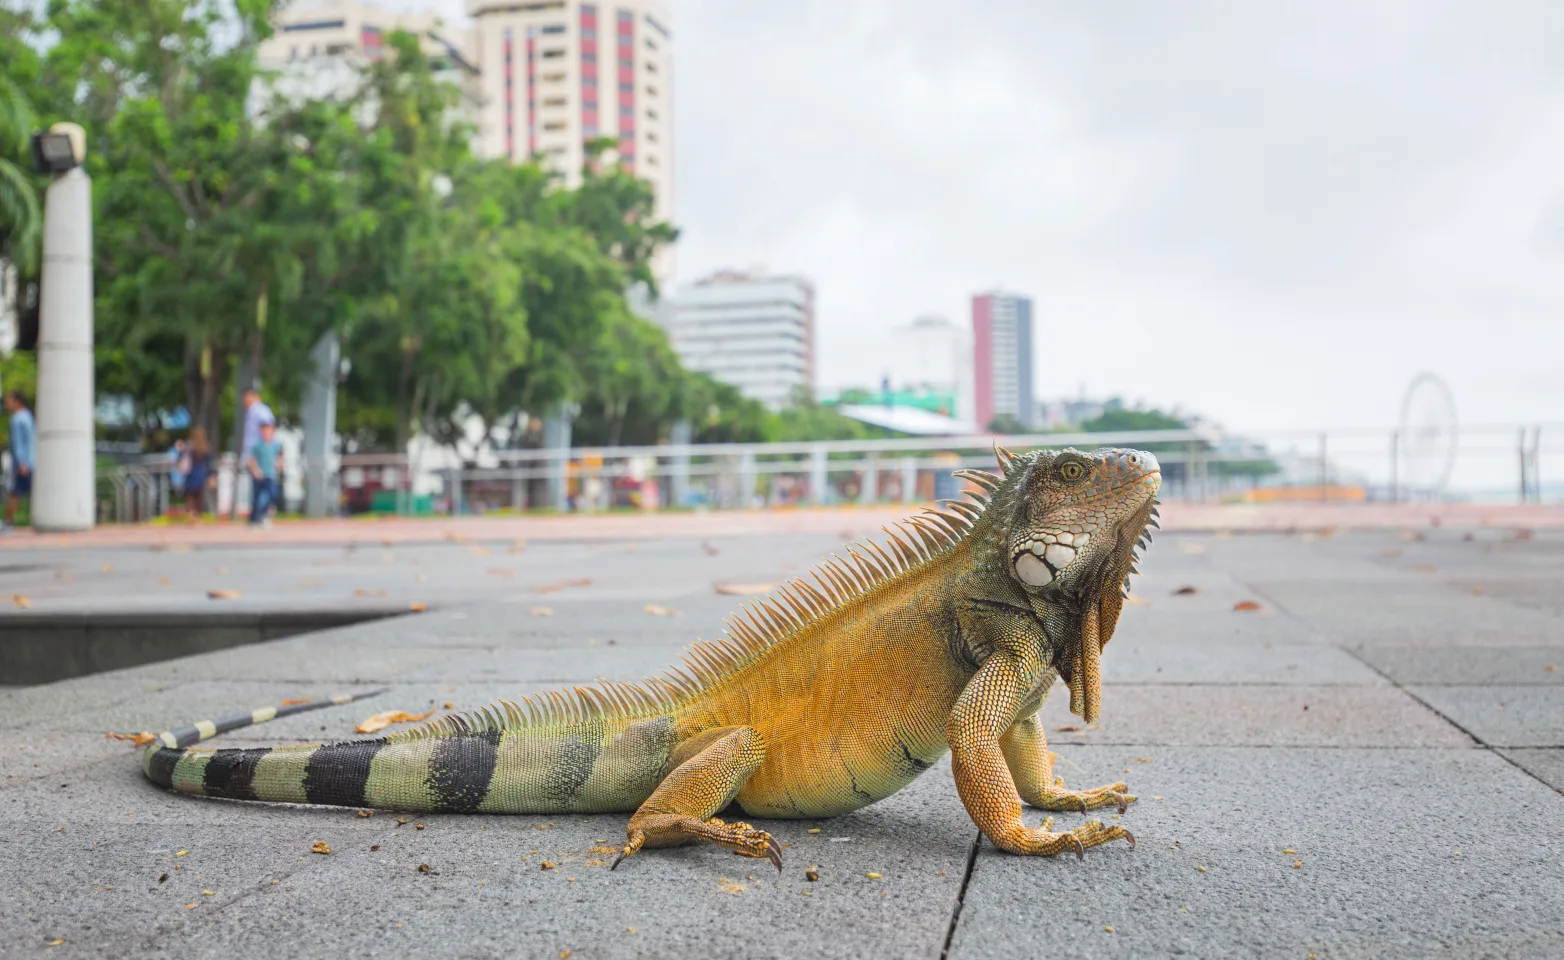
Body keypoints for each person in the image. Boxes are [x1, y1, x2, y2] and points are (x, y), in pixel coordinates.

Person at [3, 391, 34, 529]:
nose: (7, 405)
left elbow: (18, 443)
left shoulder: (17, 419)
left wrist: (21, 461)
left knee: (15, 492)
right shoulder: (28, 416)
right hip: (31, 462)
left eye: (9, 401)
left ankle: (8, 522)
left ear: (18, 402)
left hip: (23, 463)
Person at [247, 419, 282, 527]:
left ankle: (265, 513)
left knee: (272, 493)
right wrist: (255, 470)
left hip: (270, 474)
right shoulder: (257, 445)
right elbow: (251, 460)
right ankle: (254, 520)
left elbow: (280, 455)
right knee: (256, 497)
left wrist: (279, 464)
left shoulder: (275, 444)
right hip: (259, 475)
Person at [183, 426, 215, 520]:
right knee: (199, 496)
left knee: (190, 496)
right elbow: (210, 464)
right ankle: (196, 515)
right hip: (200, 473)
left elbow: (182, 458)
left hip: (190, 474)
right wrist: (211, 476)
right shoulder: (206, 448)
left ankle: (191, 515)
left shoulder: (189, 447)